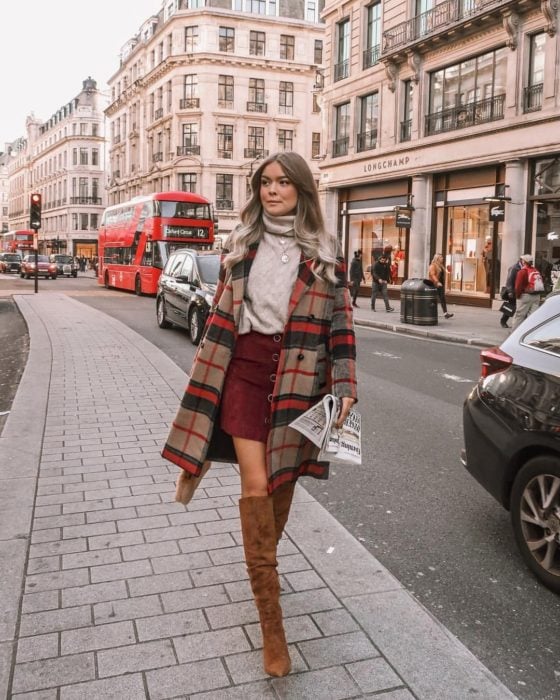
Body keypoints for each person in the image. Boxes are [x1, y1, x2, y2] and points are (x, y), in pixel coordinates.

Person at [162, 152, 357, 678]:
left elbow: (340, 328)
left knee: (278, 492)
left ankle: (262, 561)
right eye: (265, 183)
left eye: (283, 183)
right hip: (244, 375)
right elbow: (224, 317)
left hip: (298, 383)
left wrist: (345, 383)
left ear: (301, 191)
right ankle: (273, 630)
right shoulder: (239, 248)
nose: (273, 191)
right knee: (255, 487)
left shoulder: (324, 255)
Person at [512, 253, 542, 330]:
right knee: (532, 317)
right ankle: (529, 333)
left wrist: (518, 296)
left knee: (519, 316)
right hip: (536, 296)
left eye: (522, 260)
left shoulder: (522, 272)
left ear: (524, 262)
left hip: (525, 296)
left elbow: (518, 286)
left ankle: (514, 334)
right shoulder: (535, 270)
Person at [428, 254, 453, 318]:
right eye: (441, 257)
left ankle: (445, 313)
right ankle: (429, 312)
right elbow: (432, 275)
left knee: (442, 299)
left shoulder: (441, 266)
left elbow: (442, 275)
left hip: (440, 284)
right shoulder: (433, 266)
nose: (442, 258)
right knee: (433, 299)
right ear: (437, 258)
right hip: (434, 284)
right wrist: (437, 282)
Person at [499, 257, 522, 328]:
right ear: (521, 260)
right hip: (513, 290)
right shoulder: (514, 268)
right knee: (511, 306)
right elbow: (509, 280)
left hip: (519, 290)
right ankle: (503, 321)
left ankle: (518, 323)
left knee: (516, 307)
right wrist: (510, 291)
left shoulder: (522, 268)